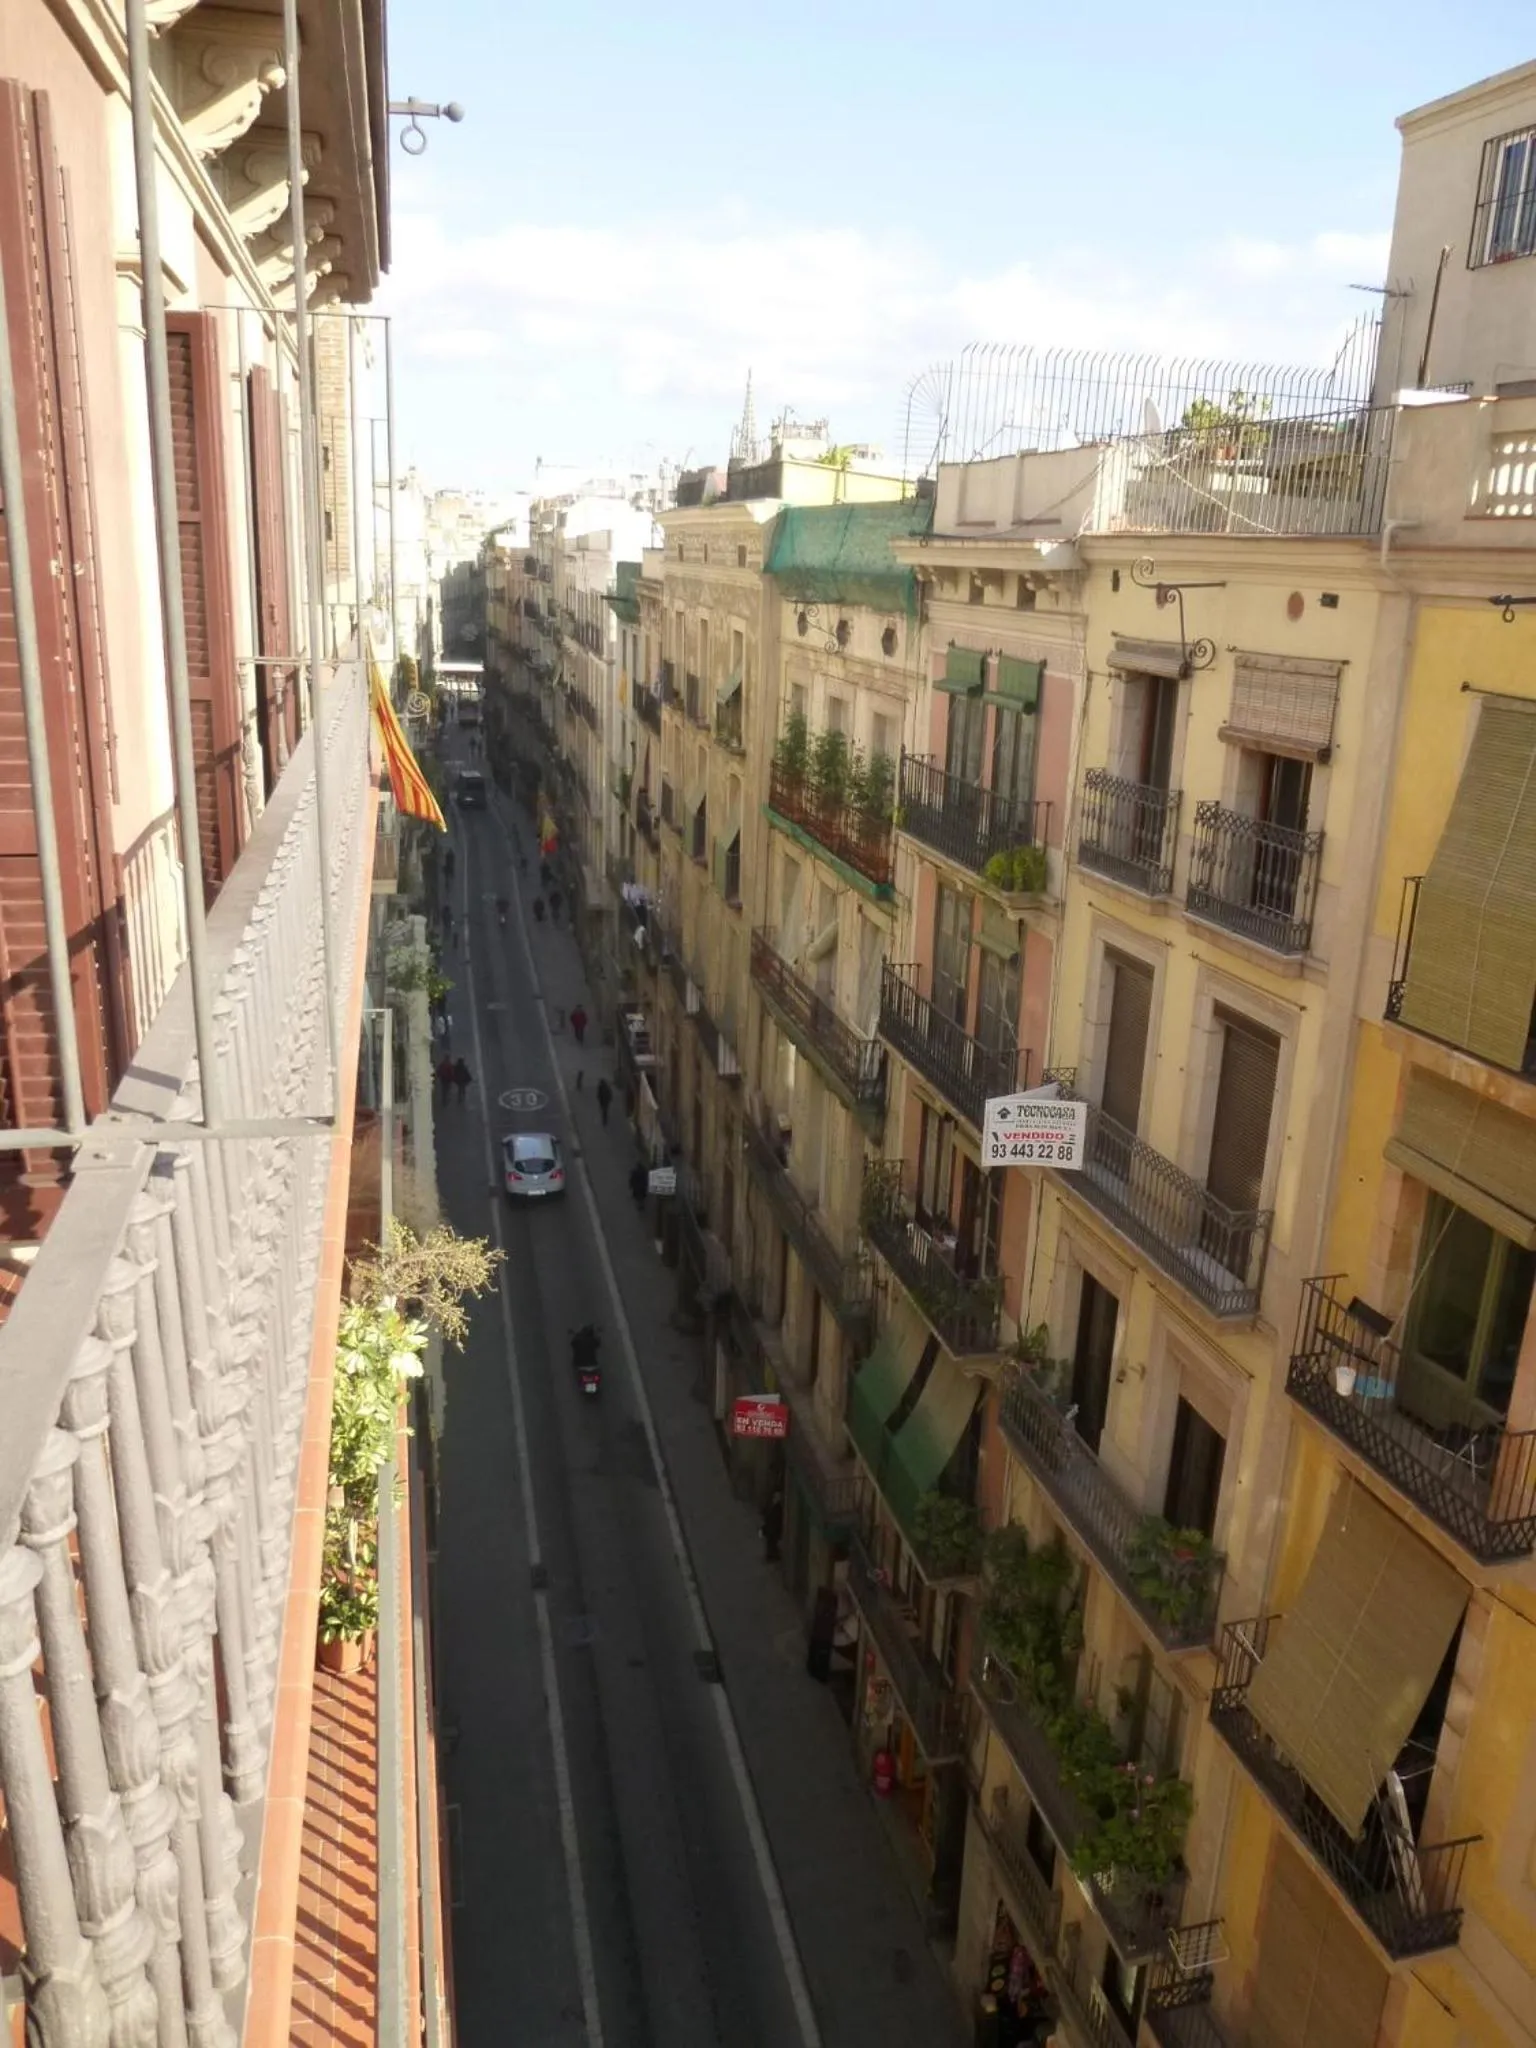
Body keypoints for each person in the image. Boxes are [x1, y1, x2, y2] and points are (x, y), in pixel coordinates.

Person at [760, 1488, 784, 1565]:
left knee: (771, 1544)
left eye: (775, 1497)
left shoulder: (777, 1509)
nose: (774, 1499)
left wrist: (766, 1529)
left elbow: (773, 1521)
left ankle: (772, 1557)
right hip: (772, 1531)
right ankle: (772, 1557)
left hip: (772, 1531)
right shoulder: (776, 1508)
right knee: (771, 1544)